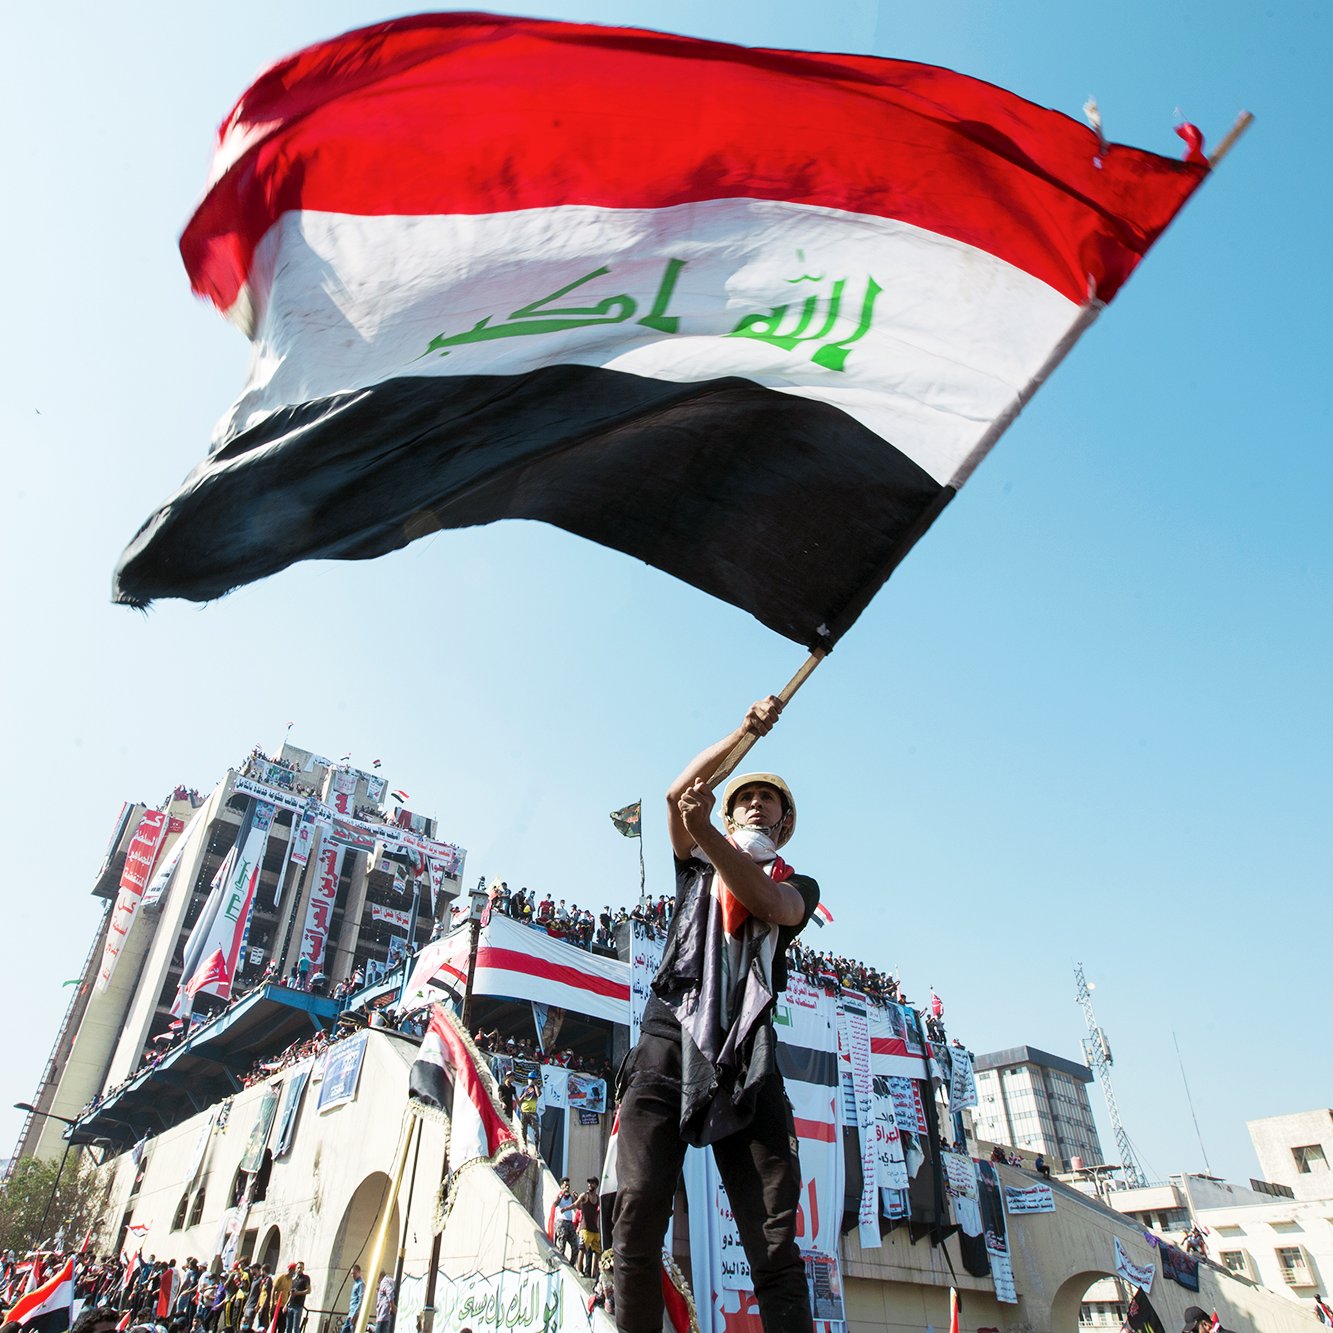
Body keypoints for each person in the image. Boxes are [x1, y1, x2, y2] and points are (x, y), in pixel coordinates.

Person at [611, 697, 819, 1333]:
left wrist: (704, 831)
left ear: (784, 824)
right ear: (727, 813)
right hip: (668, 1039)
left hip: (746, 1058)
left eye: (769, 801)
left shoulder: (799, 885)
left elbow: (768, 903)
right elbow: (676, 794)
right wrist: (744, 731)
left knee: (774, 1245)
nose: (756, 804)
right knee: (636, 1222)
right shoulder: (695, 862)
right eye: (744, 797)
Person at [575, 1178, 603, 1278]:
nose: (590, 1185)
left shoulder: (598, 1199)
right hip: (585, 1228)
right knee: (582, 1249)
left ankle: (594, 1273)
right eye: (589, 1183)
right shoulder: (585, 1196)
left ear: (596, 1185)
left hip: (594, 1229)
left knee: (596, 1252)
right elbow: (577, 1206)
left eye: (592, 1183)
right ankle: (579, 1269)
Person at [553, 1179, 579, 1264]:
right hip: (561, 1222)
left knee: (575, 1247)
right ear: (562, 1186)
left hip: (570, 1222)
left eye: (568, 1186)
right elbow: (555, 1204)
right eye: (565, 1186)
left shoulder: (570, 1197)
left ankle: (571, 1264)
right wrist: (562, 1194)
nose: (567, 1188)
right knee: (562, 1246)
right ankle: (561, 1263)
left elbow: (578, 1206)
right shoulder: (559, 1196)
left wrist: (577, 1198)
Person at [285, 1263, 310, 1333]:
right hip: (290, 1305)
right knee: (288, 1328)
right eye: (298, 1268)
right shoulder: (294, 1279)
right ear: (296, 1269)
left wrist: (298, 1293)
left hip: (298, 1306)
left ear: (303, 1269)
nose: (299, 1269)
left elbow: (308, 1290)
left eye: (301, 1268)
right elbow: (291, 1294)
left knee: (296, 1328)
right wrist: (286, 1305)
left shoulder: (305, 1278)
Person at [340, 1266, 364, 1333]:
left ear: (359, 1272)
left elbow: (361, 1300)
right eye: (352, 1274)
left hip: (354, 1314)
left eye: (354, 1273)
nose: (353, 1275)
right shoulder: (356, 1283)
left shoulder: (360, 1284)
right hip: (351, 1313)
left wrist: (355, 1313)